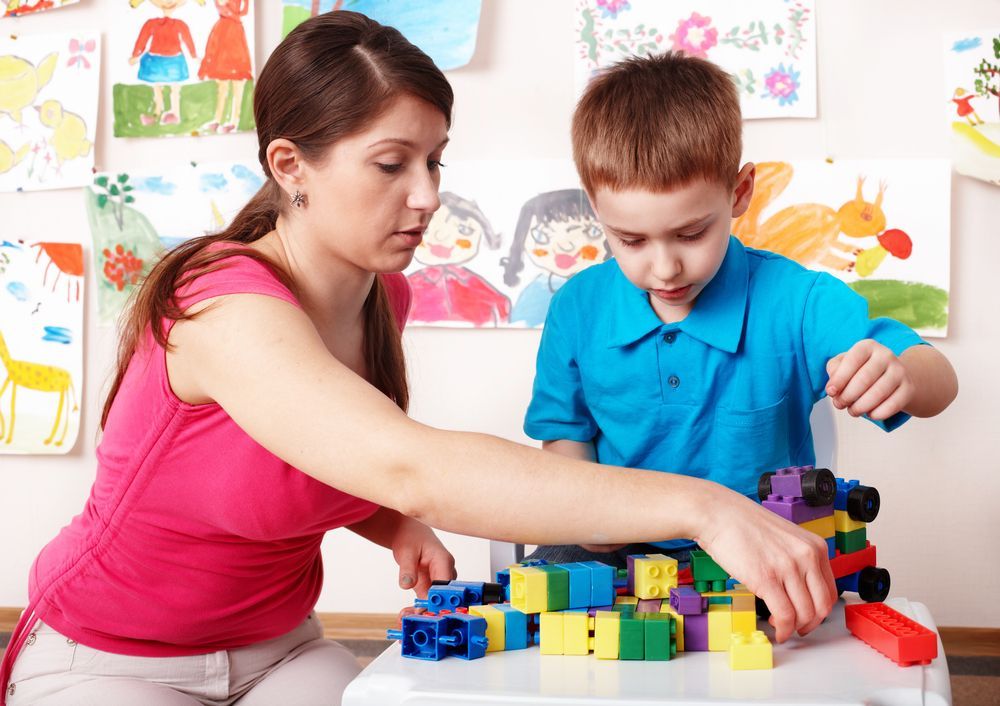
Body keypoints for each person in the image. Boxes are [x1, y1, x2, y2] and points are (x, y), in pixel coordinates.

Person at [2, 15, 846, 706]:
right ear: (290, 167)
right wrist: (707, 509)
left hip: (277, 649)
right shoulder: (218, 303)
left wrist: (385, 520)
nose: (429, 194)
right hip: (111, 654)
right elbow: (406, 461)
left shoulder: (381, 298)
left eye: (435, 159)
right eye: (392, 164)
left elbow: (314, 453)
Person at [523, 53, 958, 570]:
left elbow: (941, 382)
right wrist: (588, 517)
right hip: (621, 543)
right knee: (535, 618)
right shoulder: (577, 308)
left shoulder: (797, 301)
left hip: (759, 542)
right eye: (630, 239)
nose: (665, 268)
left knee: (795, 637)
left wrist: (902, 375)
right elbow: (564, 437)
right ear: (597, 210)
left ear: (740, 192)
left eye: (690, 234)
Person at [198, 0, 253, 133]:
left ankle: (234, 121)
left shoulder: (237, 24)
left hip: (236, 53)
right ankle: (217, 119)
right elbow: (211, 46)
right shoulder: (221, 24)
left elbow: (244, 11)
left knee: (237, 88)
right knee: (222, 89)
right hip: (222, 57)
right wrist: (204, 66)